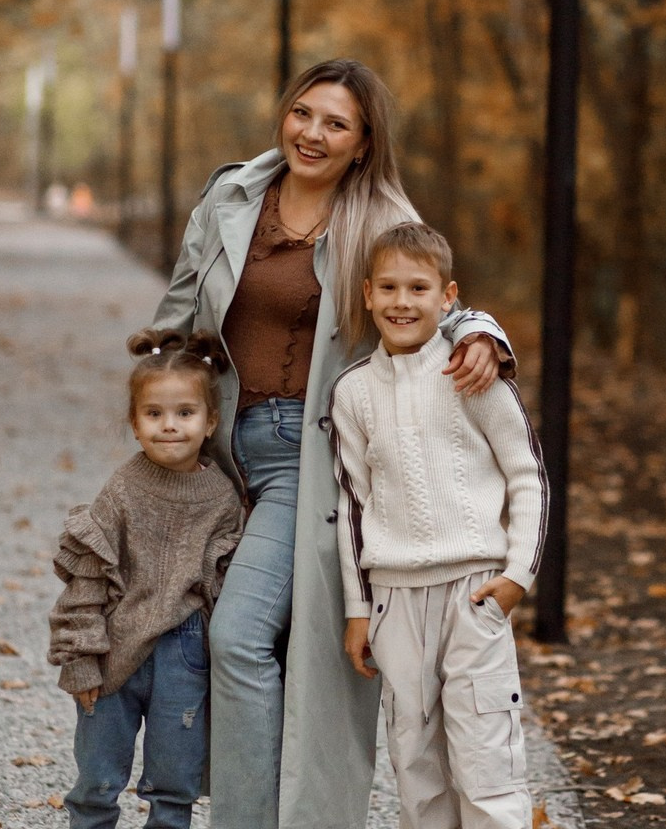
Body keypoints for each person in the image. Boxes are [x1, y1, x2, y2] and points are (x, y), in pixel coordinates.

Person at [153, 58, 513, 829]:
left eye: (336, 123)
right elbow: (178, 315)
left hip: (301, 460)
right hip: (214, 460)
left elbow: (428, 300)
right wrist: (160, 408)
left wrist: (485, 332)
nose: (313, 133)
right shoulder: (232, 195)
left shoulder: (379, 219)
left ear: (364, 140)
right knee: (189, 644)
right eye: (304, 113)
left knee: (241, 638)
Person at [331, 222, 548, 829]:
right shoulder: (352, 393)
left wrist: (517, 576)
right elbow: (352, 505)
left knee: (486, 761)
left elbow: (528, 474)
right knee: (415, 766)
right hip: (395, 602)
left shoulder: (470, 373)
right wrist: (358, 607)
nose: (404, 302)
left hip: (473, 591)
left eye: (419, 288)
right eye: (391, 289)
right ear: (368, 294)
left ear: (448, 296)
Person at [47, 328, 244, 829]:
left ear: (210, 421)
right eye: (154, 414)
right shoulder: (122, 490)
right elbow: (86, 576)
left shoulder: (223, 498)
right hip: (114, 648)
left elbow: (222, 588)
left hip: (185, 652)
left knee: (174, 785)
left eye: (185, 413)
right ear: (135, 423)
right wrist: (80, 657)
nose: (169, 426)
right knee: (96, 780)